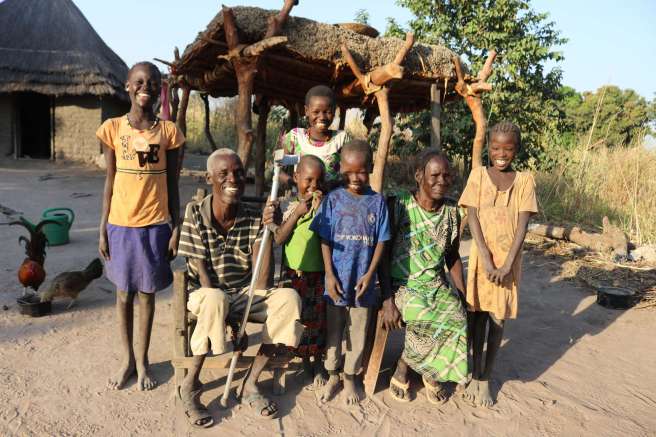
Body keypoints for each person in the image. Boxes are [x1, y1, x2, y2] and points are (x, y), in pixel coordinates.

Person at [177, 149, 303, 427]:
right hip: (205, 294)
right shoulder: (195, 212)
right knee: (213, 300)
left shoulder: (252, 216)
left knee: (288, 299)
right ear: (210, 178)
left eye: (237, 173)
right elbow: (202, 274)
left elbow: (263, 282)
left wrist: (269, 229)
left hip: (243, 294)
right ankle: (190, 385)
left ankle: (250, 384)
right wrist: (234, 325)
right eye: (223, 174)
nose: (232, 178)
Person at [97, 61, 183, 392]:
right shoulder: (113, 128)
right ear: (128, 86)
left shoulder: (169, 132)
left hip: (154, 226)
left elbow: (173, 185)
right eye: (139, 81)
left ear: (159, 88)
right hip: (120, 224)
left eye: (152, 82)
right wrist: (102, 227)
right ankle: (127, 361)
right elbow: (110, 181)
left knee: (146, 295)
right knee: (123, 295)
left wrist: (175, 226)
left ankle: (144, 361)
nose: (146, 86)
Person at [458, 121, 538, 407]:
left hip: (507, 263)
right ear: (488, 148)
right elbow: (473, 216)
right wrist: (485, 255)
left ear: (516, 149)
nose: (501, 153)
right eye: (495, 148)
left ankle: (485, 378)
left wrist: (506, 264)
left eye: (508, 148)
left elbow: (522, 226)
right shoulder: (478, 175)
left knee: (498, 318)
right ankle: (474, 371)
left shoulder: (525, 180)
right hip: (482, 261)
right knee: (477, 315)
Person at [380, 149, 468, 405]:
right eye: (434, 175)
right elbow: (382, 256)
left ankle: (421, 367)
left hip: (434, 284)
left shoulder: (452, 212)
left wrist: (461, 293)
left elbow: (451, 256)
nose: (442, 181)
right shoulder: (398, 205)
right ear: (419, 176)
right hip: (402, 285)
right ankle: (404, 369)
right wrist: (387, 300)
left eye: (447, 176)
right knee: (423, 313)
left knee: (457, 315)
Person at [310, 140, 391, 405]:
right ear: (341, 169)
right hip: (337, 281)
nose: (355, 177)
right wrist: (329, 275)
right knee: (334, 331)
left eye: (362, 171)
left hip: (363, 283)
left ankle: (349, 377)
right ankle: (332, 373)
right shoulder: (333, 200)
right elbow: (324, 238)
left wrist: (370, 274)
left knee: (358, 330)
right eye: (349, 171)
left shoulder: (377, 203)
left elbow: (381, 240)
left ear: (370, 168)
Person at [273, 155, 328, 389]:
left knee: (318, 322)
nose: (313, 186)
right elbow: (278, 238)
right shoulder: (287, 205)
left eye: (318, 181)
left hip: (319, 275)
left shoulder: (326, 205)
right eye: (308, 180)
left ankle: (317, 361)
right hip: (294, 275)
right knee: (298, 321)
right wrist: (297, 214)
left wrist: (320, 208)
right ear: (296, 178)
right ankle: (302, 360)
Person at [279, 85, 350, 189]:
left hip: (331, 200)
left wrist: (332, 185)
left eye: (328, 112)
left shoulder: (341, 139)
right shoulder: (295, 137)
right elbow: (278, 168)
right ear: (307, 111)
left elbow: (349, 173)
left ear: (334, 112)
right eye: (316, 112)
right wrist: (295, 184)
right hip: (301, 201)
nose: (322, 117)